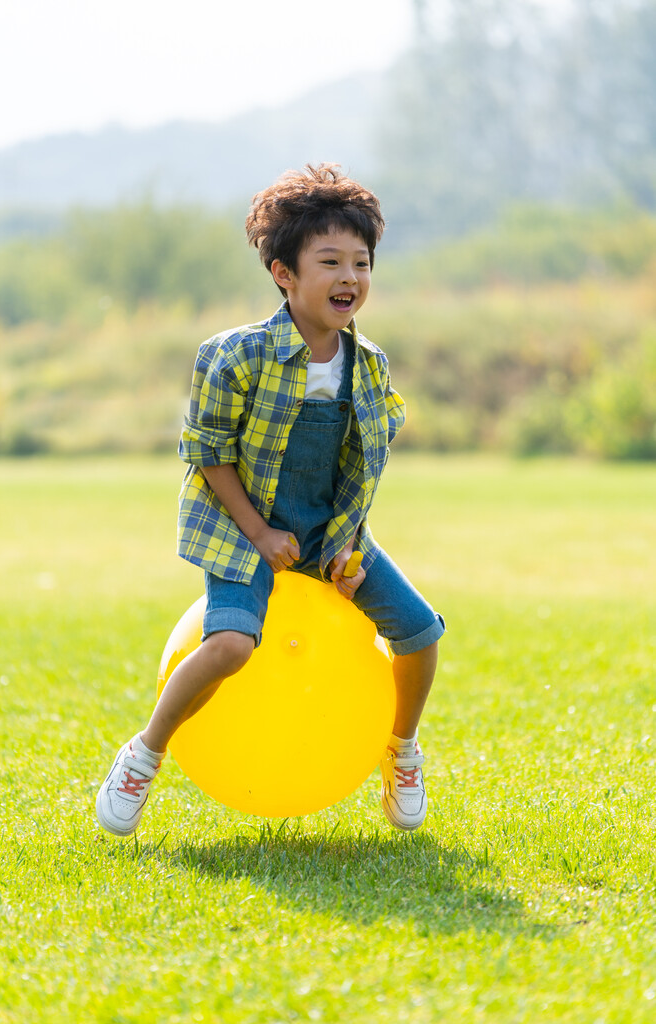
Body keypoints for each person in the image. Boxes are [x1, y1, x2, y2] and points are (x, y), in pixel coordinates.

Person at [96, 163, 445, 837]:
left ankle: (398, 751)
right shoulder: (233, 356)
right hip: (240, 528)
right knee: (229, 645)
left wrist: (345, 546)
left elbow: (361, 466)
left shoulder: (367, 364)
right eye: (330, 262)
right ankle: (146, 753)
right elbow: (207, 451)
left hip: (329, 531)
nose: (350, 278)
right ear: (284, 273)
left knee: (420, 632)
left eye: (361, 263)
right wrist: (258, 533)